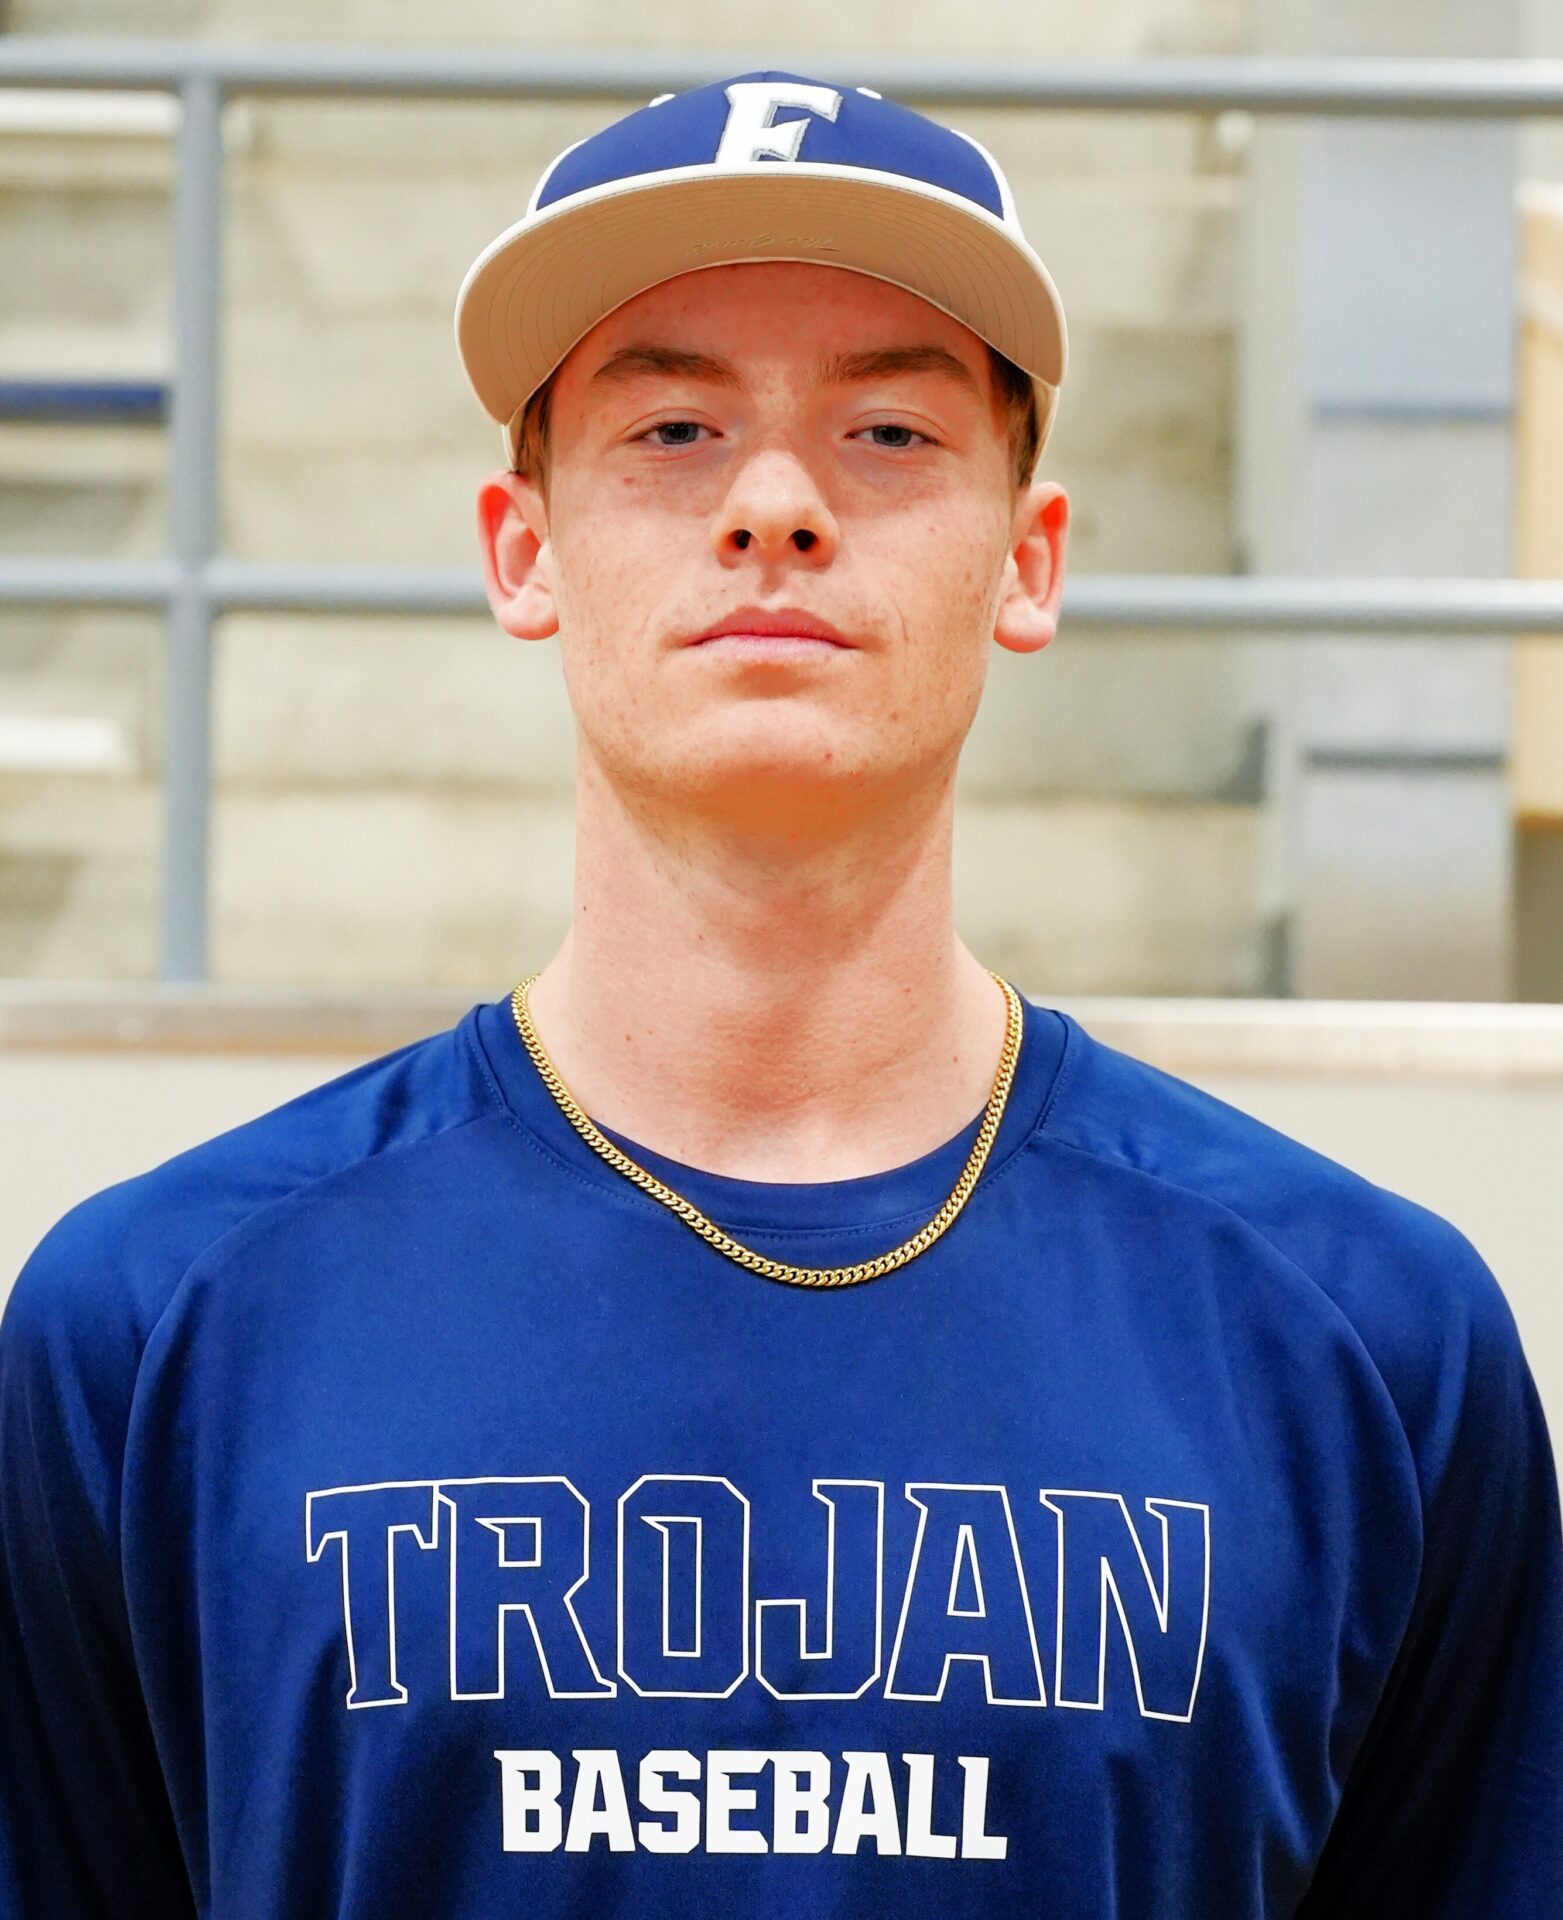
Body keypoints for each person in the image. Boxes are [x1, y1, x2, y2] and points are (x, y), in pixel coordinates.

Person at [0, 69, 1558, 1920]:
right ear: (523, 550)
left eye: (888, 429)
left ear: (1029, 560)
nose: (773, 506)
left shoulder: (1368, 1342)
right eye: (672, 427)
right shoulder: (155, 1329)